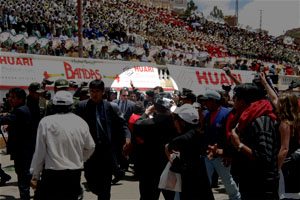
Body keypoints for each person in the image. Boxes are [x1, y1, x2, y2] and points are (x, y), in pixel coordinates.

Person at [30, 91, 95, 200]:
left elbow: (40, 152)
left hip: (52, 175)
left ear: (54, 105)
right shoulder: (81, 122)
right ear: (71, 106)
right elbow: (91, 146)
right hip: (73, 174)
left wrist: (35, 175)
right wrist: (80, 158)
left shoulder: (45, 122)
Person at [75, 79, 131, 200]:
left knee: (105, 188)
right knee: (91, 182)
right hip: (89, 151)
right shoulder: (82, 106)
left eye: (97, 91)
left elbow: (123, 124)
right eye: (92, 91)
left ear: (102, 92)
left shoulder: (111, 107)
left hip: (106, 151)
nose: (94, 94)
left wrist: (127, 137)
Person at [230, 83, 280, 200]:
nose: (233, 102)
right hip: (250, 183)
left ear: (242, 101)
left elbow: (264, 157)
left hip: (261, 186)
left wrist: (239, 145)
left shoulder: (261, 121)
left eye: (235, 98)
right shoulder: (247, 119)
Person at [134, 92, 178, 200]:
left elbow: (137, 124)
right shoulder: (176, 124)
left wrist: (146, 112)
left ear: (155, 107)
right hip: (170, 167)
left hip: (150, 168)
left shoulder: (147, 124)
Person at [165, 104, 215, 200]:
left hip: (189, 177)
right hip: (200, 173)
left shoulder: (181, 139)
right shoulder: (199, 134)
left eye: (176, 120)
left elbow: (169, 148)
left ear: (182, 122)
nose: (175, 123)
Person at [202, 90, 241, 200]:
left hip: (221, 155)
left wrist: (228, 154)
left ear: (214, 101)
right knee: (206, 180)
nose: (205, 104)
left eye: (207, 101)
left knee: (227, 180)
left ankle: (236, 198)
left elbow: (230, 134)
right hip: (207, 154)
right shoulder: (205, 114)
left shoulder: (226, 114)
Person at [0, 88, 35, 200]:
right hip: (24, 150)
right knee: (26, 176)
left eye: (13, 97)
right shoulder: (21, 109)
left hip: (23, 151)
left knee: (23, 178)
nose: (9, 99)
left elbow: (6, 119)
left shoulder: (20, 111)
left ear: (20, 99)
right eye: (9, 96)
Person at [276, 92, 300, 199]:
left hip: (286, 165)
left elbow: (284, 149)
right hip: (296, 161)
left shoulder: (285, 123)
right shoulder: (297, 120)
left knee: (285, 195)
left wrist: (275, 169)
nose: (276, 103)